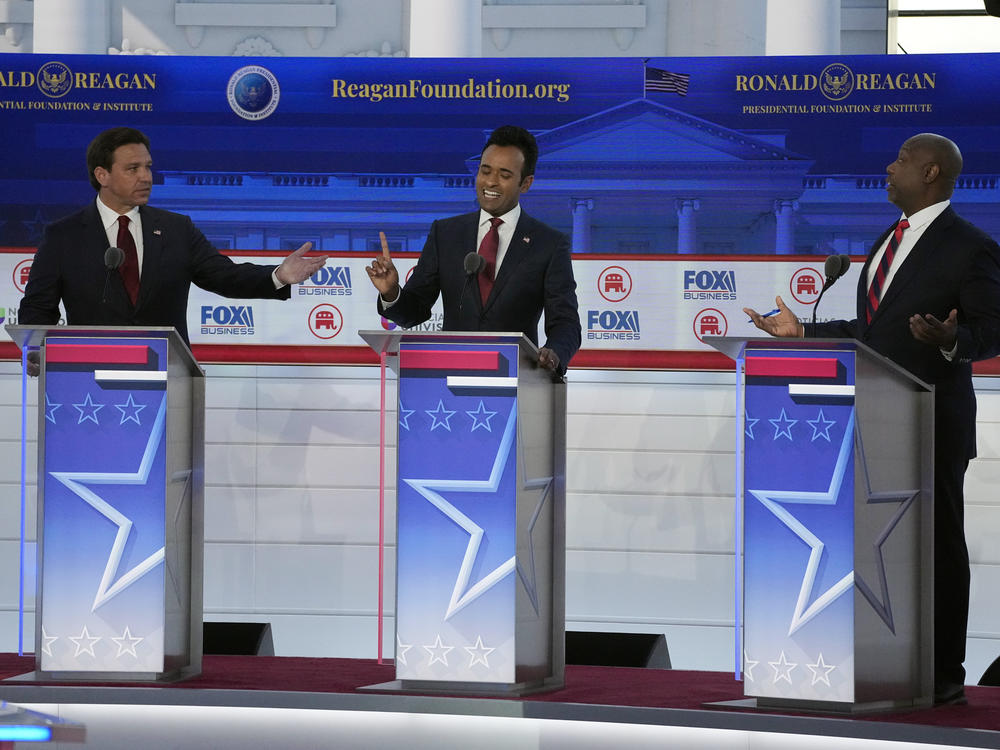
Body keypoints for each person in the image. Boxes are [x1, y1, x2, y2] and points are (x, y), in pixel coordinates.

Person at [745, 133, 1000, 706]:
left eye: (902, 160)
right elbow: (873, 333)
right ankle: (881, 660)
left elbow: (993, 329)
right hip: (871, 421)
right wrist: (803, 332)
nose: (889, 167)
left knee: (935, 547)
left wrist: (955, 338)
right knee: (876, 545)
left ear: (931, 173)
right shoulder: (889, 239)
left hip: (931, 420)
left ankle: (941, 672)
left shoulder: (970, 246)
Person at [18, 126, 327, 371]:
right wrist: (35, 351)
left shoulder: (176, 230)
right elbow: (37, 308)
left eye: (148, 167)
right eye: (133, 169)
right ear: (103, 175)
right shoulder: (64, 236)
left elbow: (224, 276)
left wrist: (279, 275)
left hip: (166, 376)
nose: (146, 177)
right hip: (88, 382)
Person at [365, 125, 580, 376]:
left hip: (518, 380)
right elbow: (414, 312)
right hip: (449, 380)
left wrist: (554, 352)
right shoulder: (445, 234)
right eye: (485, 170)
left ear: (526, 183)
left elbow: (566, 323)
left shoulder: (549, 244)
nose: (490, 181)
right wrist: (391, 292)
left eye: (504, 175)